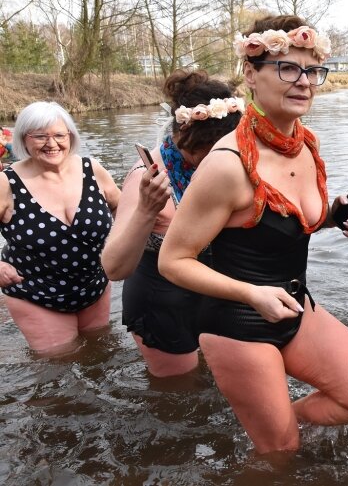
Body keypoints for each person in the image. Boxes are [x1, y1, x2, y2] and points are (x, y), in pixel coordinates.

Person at [158, 15, 348, 454]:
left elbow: (281, 218)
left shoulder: (307, 143)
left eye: (311, 70)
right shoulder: (228, 164)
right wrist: (252, 294)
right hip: (237, 321)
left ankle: (282, 426)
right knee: (279, 459)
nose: (303, 81)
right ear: (250, 73)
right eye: (287, 68)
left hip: (292, 304)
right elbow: (172, 261)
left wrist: (333, 214)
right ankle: (275, 440)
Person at [101, 69, 243, 378]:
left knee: (219, 382)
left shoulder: (233, 160)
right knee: (178, 393)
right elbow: (113, 268)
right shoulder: (146, 175)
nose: (211, 160)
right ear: (179, 135)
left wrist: (327, 217)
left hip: (214, 289)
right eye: (200, 150)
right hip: (162, 301)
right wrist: (146, 210)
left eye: (220, 148)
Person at [0, 101, 120, 354]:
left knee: (100, 351)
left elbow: (123, 209)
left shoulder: (92, 169)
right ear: (24, 139)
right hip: (36, 291)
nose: (51, 144)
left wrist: (119, 241)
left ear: (71, 136)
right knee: (59, 367)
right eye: (40, 136)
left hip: (93, 283)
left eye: (58, 135)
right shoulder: (6, 182)